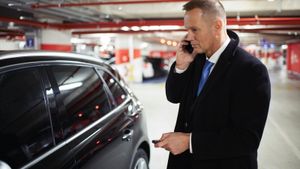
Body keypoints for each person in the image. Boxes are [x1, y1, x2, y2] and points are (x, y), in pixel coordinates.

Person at [154, 0, 271, 169]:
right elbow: (173, 96)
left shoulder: (251, 70)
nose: (188, 37)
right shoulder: (195, 57)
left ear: (217, 26)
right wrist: (181, 66)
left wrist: (190, 142)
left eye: (194, 29)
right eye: (187, 29)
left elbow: (247, 139)